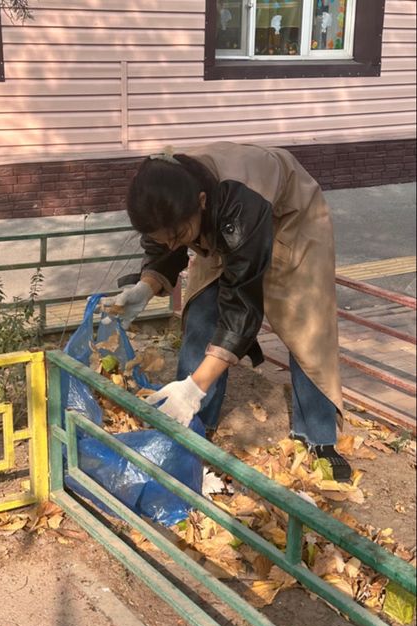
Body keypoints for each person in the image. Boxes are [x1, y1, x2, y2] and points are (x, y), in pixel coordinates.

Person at [109, 144, 352, 482]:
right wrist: (146, 286)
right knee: (201, 313)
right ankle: (195, 424)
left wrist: (194, 387)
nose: (172, 244)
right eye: (163, 238)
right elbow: (165, 245)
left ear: (202, 203)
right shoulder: (165, 203)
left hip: (291, 217)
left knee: (307, 327)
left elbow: (242, 305)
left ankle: (319, 437)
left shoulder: (239, 205)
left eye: (178, 236)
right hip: (224, 226)